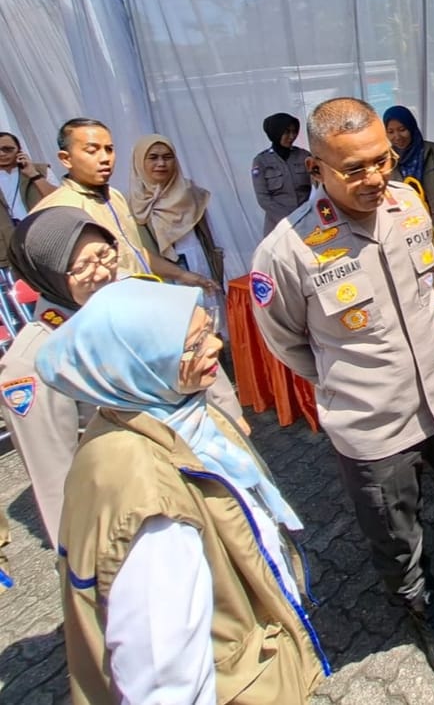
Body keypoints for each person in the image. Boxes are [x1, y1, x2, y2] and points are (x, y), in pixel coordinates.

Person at [250, 97, 434, 681]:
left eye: (381, 159)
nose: (373, 177)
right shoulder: (285, 251)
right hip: (372, 422)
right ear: (316, 168)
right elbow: (286, 342)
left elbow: (429, 288)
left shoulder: (407, 201)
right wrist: (351, 382)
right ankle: (422, 609)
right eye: (353, 169)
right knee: (396, 534)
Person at [36, 277, 327, 703]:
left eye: (208, 328)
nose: (217, 346)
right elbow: (164, 678)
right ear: (141, 362)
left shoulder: (154, 413)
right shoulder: (151, 507)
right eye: (192, 345)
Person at [0, 207, 248, 549]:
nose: (103, 272)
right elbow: (56, 479)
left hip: (212, 466)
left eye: (105, 254)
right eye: (82, 268)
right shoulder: (35, 363)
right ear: (47, 276)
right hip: (143, 511)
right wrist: (84, 558)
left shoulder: (135, 293)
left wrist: (231, 415)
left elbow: (197, 344)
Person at [31, 118, 217, 292]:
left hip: (145, 297)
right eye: (92, 151)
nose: (105, 158)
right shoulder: (60, 210)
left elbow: (134, 253)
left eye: (109, 149)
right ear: (66, 158)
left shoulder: (114, 197)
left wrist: (184, 275)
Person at [129, 134, 225, 289]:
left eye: (167, 157)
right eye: (153, 158)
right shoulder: (133, 203)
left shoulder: (190, 193)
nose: (161, 163)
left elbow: (208, 237)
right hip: (163, 276)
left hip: (199, 263)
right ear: (139, 162)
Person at [382, 105, 434, 269]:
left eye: (402, 129)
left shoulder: (433, 151)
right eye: (391, 132)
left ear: (411, 127)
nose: (397, 136)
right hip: (408, 232)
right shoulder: (386, 160)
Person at [252, 112, 312, 236]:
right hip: (279, 225)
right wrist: (290, 219)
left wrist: (306, 214)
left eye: (294, 132)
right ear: (276, 132)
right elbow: (263, 199)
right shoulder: (261, 161)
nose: (292, 136)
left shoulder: (304, 156)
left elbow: (317, 187)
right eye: (287, 132)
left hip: (307, 221)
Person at [0, 131, 55, 266]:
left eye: (7, 149)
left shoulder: (40, 170)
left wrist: (33, 174)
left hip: (45, 239)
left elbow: (59, 198)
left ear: (19, 150)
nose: (2, 154)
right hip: (9, 247)